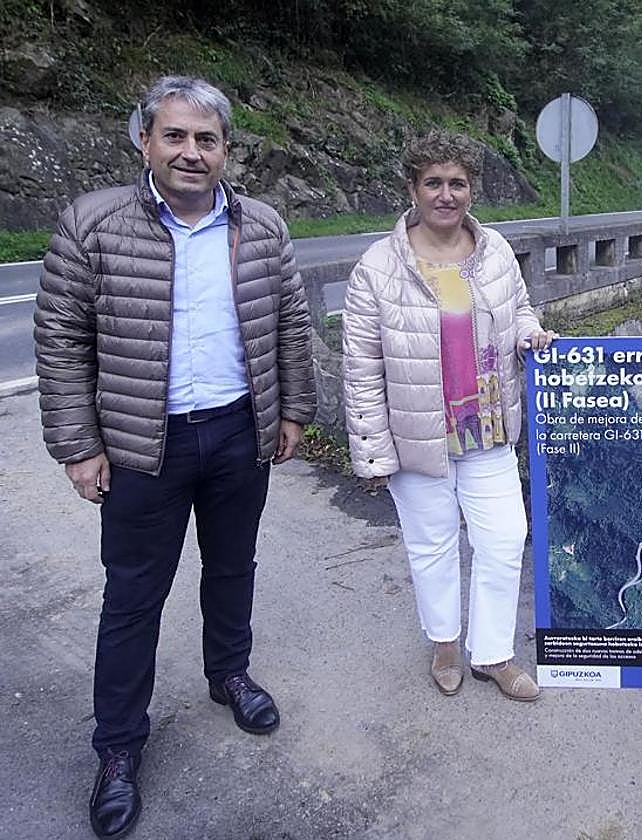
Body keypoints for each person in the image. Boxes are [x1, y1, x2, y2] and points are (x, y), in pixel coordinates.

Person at [33, 75, 315, 838]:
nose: (192, 152)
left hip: (234, 432)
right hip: (138, 445)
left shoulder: (260, 226)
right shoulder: (91, 224)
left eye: (207, 139)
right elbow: (60, 343)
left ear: (227, 150)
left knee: (233, 567)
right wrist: (79, 447)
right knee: (132, 598)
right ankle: (119, 747)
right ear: (145, 141)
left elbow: (290, 321)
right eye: (176, 136)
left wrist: (294, 409)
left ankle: (229, 675)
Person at [341, 130, 555, 703]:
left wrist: (531, 334)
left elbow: (520, 310)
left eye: (457, 183)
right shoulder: (379, 267)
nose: (445, 194)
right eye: (432, 182)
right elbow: (360, 366)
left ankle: (492, 654)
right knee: (432, 544)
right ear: (411, 187)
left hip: (486, 428)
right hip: (417, 435)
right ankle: (443, 642)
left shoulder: (496, 252)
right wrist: (372, 450)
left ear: (472, 189)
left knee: (505, 538)